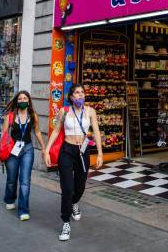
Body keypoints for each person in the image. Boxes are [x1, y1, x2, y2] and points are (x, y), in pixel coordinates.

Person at [44, 84, 103, 241]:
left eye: (82, 92)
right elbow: (56, 130)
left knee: (81, 185)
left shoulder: (90, 111)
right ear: (71, 96)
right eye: (77, 93)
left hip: (83, 151)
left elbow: (96, 131)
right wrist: (47, 150)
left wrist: (100, 153)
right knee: (67, 188)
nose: (80, 95)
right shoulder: (64, 111)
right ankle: (65, 222)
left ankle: (74, 203)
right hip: (67, 151)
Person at [2, 91, 45, 221]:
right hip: (12, 150)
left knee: (25, 181)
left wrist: (43, 147)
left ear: (29, 101)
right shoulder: (10, 116)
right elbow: (4, 135)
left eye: (24, 98)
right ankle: (10, 198)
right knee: (11, 179)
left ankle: (23, 210)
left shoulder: (33, 116)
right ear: (17, 101)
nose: (22, 100)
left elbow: (37, 131)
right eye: (20, 99)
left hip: (27, 149)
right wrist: (1, 153)